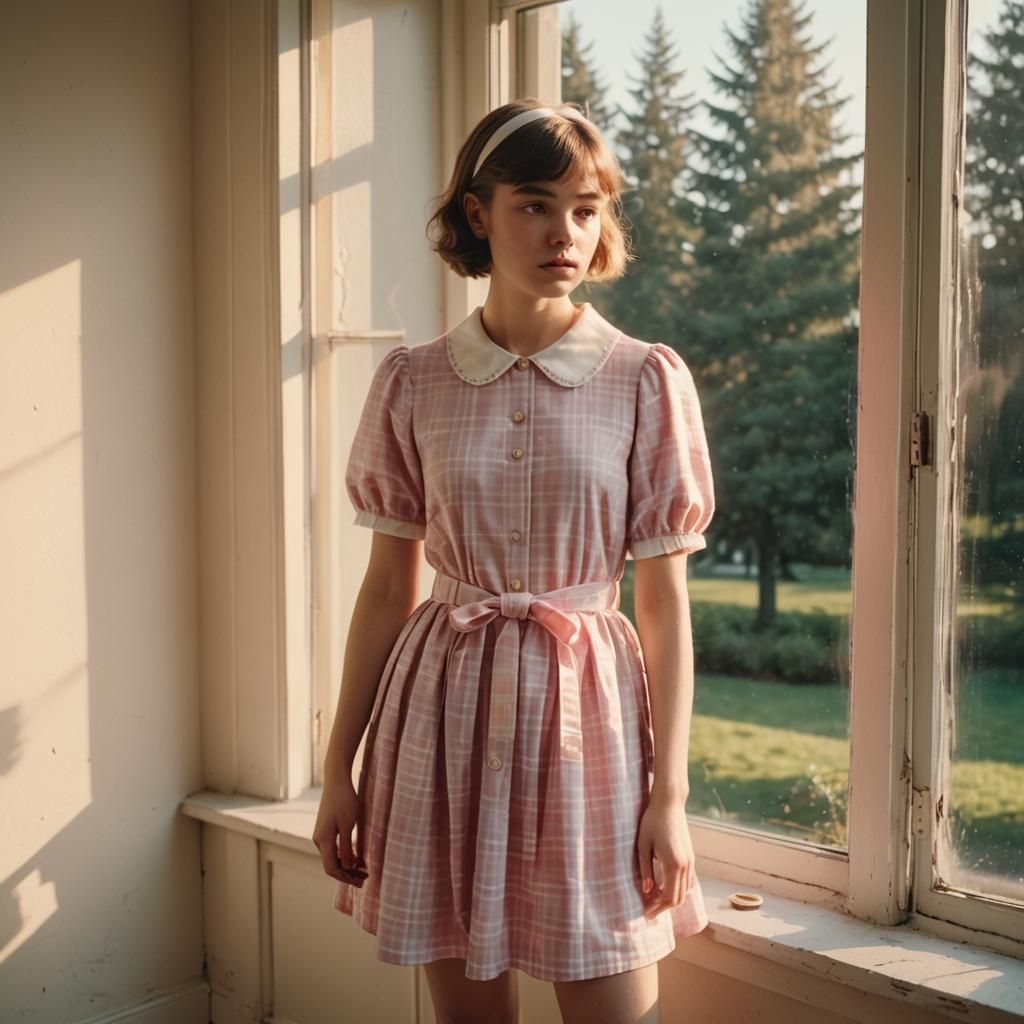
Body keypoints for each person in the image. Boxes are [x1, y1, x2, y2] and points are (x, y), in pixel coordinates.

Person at [312, 97, 716, 1024]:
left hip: (591, 729)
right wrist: (341, 768)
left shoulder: (644, 378)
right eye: (534, 203)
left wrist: (671, 795)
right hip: (439, 722)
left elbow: (663, 607)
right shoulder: (412, 381)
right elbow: (386, 589)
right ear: (476, 215)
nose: (565, 231)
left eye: (586, 207)